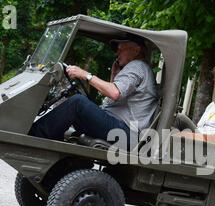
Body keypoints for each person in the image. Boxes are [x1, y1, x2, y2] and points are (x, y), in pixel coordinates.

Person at [29, 35, 158, 150]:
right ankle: (52, 148)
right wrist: (114, 75)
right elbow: (114, 98)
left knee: (78, 103)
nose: (116, 54)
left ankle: (32, 137)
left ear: (136, 50)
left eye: (120, 49)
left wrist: (86, 75)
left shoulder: (137, 66)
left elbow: (114, 93)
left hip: (127, 134)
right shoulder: (139, 68)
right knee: (76, 104)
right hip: (124, 132)